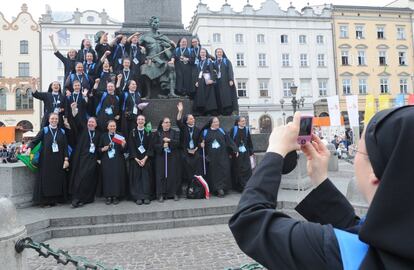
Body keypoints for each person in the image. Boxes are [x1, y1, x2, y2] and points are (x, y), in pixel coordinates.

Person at [229, 108, 414, 269]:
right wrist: (321, 180)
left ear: (374, 172)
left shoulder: (335, 253)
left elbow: (249, 222)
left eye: (358, 149)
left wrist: (275, 151)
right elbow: (360, 233)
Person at [28, 113, 69, 207]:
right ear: (49, 120)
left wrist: (66, 159)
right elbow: (35, 140)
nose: (54, 120)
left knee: (56, 180)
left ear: (58, 120)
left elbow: (65, 147)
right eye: (52, 118)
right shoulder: (45, 130)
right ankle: (45, 201)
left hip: (58, 160)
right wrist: (29, 148)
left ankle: (55, 199)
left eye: (56, 119)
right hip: (46, 160)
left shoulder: (62, 131)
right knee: (46, 180)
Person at [201, 117, 237, 197]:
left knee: (224, 172)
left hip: (223, 156)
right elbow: (201, 142)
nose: (217, 123)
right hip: (212, 157)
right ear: (211, 123)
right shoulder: (205, 132)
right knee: (214, 174)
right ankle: (218, 189)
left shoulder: (222, 131)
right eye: (215, 122)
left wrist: (235, 149)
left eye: (218, 121)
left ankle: (224, 188)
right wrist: (201, 145)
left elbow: (229, 141)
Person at [69, 117, 100, 208]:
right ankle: (76, 198)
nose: (90, 123)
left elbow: (99, 147)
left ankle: (86, 199)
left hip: (93, 160)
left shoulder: (98, 134)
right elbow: (77, 123)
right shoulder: (83, 132)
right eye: (89, 122)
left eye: (92, 122)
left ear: (96, 124)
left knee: (89, 179)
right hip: (81, 159)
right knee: (80, 178)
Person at [176, 101, 203, 193]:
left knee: (197, 163)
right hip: (185, 151)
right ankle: (186, 185)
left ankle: (195, 185)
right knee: (185, 164)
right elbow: (178, 121)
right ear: (187, 121)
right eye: (191, 119)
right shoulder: (184, 128)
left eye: (193, 118)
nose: (193, 120)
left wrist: (197, 147)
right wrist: (180, 111)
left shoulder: (198, 129)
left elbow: (199, 141)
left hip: (194, 151)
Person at [153, 117, 181, 202]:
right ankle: (161, 194)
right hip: (161, 157)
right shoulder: (157, 133)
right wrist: (162, 146)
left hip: (172, 156)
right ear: (162, 124)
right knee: (161, 175)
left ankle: (174, 193)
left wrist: (169, 140)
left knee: (173, 175)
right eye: (166, 122)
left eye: (169, 122)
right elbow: (154, 145)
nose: (168, 124)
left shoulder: (174, 132)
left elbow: (178, 143)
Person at [98, 120, 126, 205]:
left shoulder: (119, 135)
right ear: (107, 127)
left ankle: (116, 196)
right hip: (106, 160)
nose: (112, 127)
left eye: (114, 126)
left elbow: (123, 150)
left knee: (116, 178)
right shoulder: (103, 136)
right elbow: (98, 149)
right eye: (111, 126)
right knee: (107, 178)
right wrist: (104, 148)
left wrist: (123, 145)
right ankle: (108, 197)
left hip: (117, 159)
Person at [128, 115, 153, 205]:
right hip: (135, 159)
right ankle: (137, 196)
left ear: (145, 121)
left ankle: (146, 196)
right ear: (136, 121)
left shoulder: (148, 132)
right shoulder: (133, 132)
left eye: (142, 119)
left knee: (146, 178)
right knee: (137, 178)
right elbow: (131, 146)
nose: (140, 121)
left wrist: (145, 159)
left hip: (146, 159)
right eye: (139, 119)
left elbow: (151, 146)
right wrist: (136, 159)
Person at [229, 116, 253, 192]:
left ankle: (246, 185)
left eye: (244, 121)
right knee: (238, 169)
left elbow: (249, 141)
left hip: (245, 153)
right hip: (237, 154)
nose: (244, 122)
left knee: (247, 169)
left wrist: (251, 152)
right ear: (238, 122)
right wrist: (231, 152)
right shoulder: (234, 129)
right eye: (242, 121)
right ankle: (239, 186)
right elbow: (230, 142)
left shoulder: (246, 129)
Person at [193, 48, 218, 116]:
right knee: (201, 96)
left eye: (204, 52)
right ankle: (202, 111)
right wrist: (197, 81)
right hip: (201, 82)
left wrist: (212, 80)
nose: (202, 53)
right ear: (200, 54)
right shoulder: (199, 62)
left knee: (209, 96)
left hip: (207, 81)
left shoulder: (208, 61)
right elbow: (198, 73)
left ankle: (209, 111)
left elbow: (212, 70)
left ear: (206, 53)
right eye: (201, 52)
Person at [214, 48, 238, 116]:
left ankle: (228, 111)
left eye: (220, 52)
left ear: (222, 53)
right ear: (216, 54)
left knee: (227, 96)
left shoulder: (226, 61)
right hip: (218, 82)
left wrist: (231, 79)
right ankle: (221, 111)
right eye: (217, 52)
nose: (219, 53)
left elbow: (230, 70)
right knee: (219, 96)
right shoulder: (214, 62)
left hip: (226, 82)